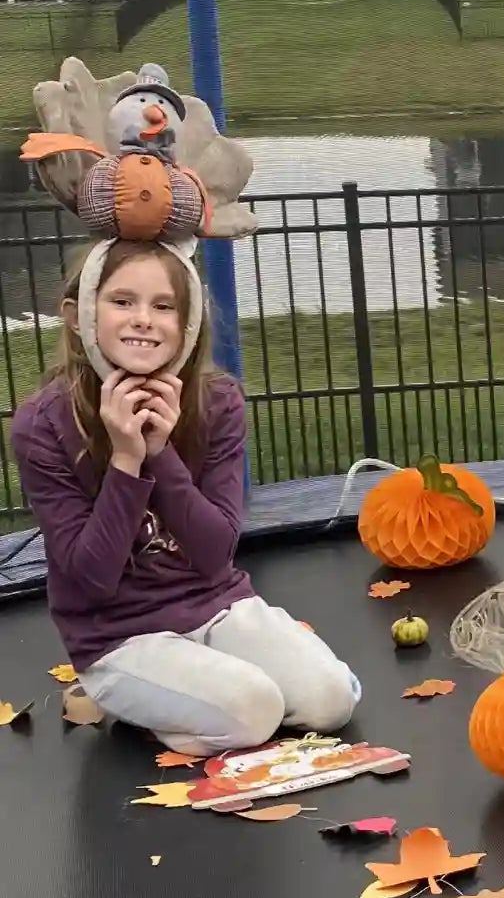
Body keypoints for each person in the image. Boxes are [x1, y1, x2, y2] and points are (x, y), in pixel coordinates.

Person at [11, 237, 359, 756]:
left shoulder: (217, 402)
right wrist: (126, 460)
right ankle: (132, 701)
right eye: (122, 301)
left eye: (164, 306)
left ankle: (205, 688)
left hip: (215, 606)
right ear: (78, 316)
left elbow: (216, 554)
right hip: (117, 636)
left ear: (190, 322)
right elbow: (93, 578)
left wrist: (161, 453)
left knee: (331, 702)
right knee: (255, 709)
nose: (143, 320)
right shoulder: (43, 424)